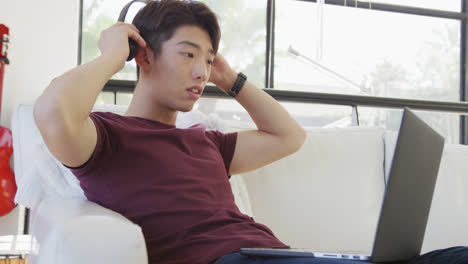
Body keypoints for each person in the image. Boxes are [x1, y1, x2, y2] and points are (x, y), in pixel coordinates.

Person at [33, 1, 468, 264]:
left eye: (209, 58)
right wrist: (112, 55)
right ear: (142, 55)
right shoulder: (106, 136)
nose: (202, 70)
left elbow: (289, 136)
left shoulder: (206, 142)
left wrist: (232, 79)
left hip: (275, 255)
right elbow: (52, 112)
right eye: (188, 55)